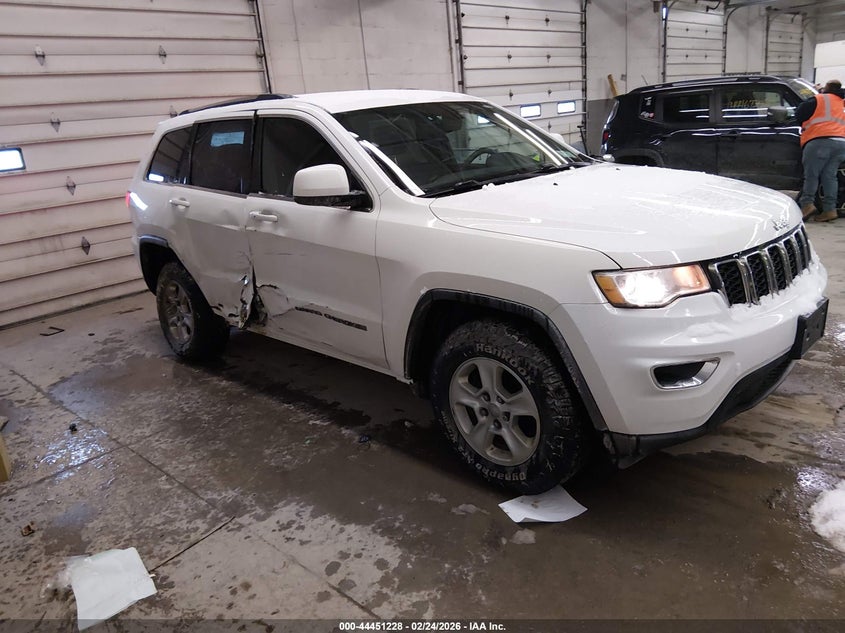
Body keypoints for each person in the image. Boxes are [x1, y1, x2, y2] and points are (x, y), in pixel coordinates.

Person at [796, 79, 845, 222]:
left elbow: (799, 114)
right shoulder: (842, 103)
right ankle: (830, 209)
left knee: (812, 175)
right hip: (841, 143)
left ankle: (807, 205)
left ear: (826, 88)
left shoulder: (818, 99)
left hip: (819, 141)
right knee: (830, 176)